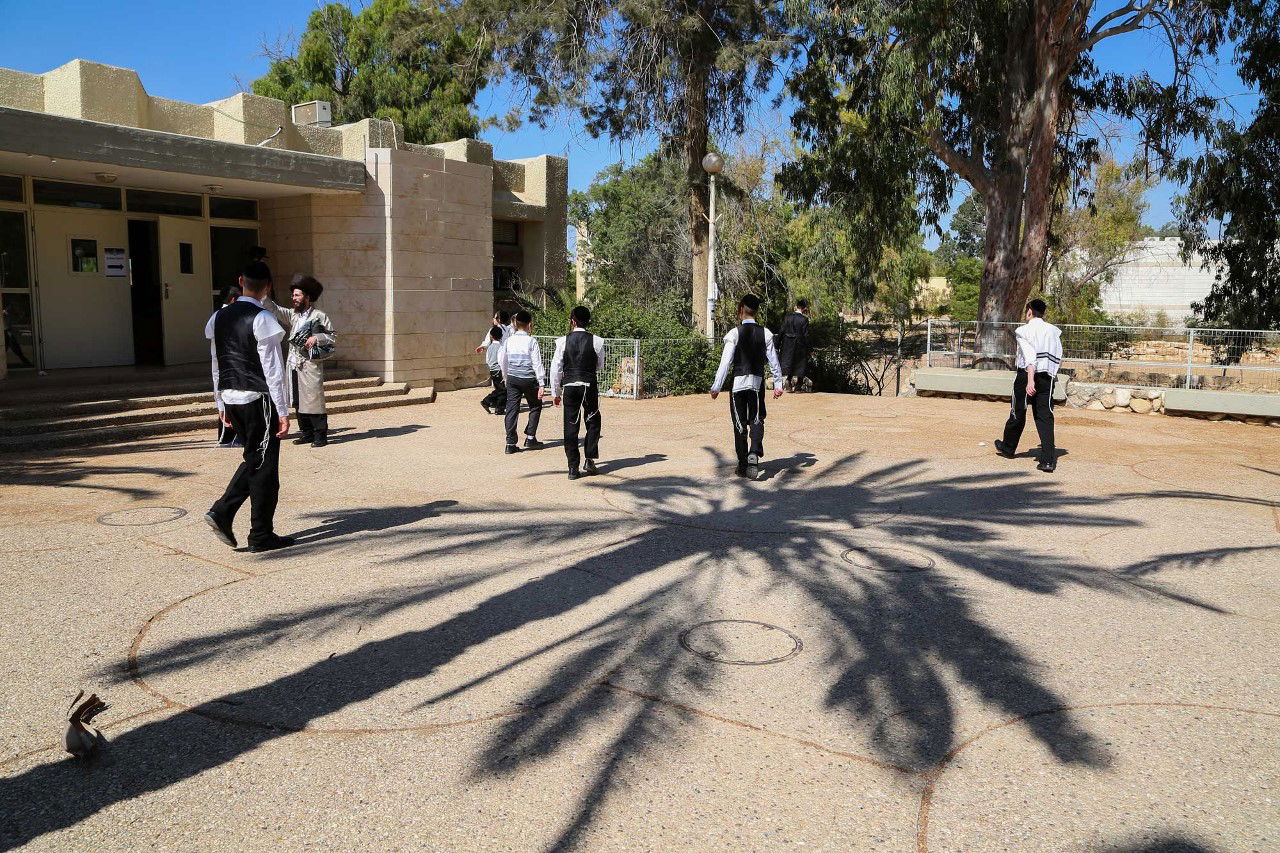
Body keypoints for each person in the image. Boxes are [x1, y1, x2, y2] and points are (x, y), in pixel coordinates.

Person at [203, 261, 295, 553]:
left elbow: (217, 363)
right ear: (267, 287)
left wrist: (220, 403)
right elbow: (273, 368)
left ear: (241, 280)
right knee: (264, 467)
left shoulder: (217, 317)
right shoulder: (263, 318)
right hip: (258, 398)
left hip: (231, 396)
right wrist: (283, 410)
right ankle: (254, 530)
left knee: (256, 459)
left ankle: (234, 518)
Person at [710, 294, 784, 478]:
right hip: (757, 383)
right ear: (756, 311)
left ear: (741, 309)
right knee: (757, 418)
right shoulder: (765, 333)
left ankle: (743, 465)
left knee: (739, 423)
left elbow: (725, 363)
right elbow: (773, 361)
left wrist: (716, 386)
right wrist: (778, 384)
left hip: (738, 385)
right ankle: (754, 452)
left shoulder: (734, 334)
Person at [264, 274, 335, 448]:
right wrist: (264, 293)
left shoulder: (319, 316)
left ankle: (320, 435)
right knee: (297, 400)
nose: (293, 298)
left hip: (310, 365)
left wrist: (316, 338)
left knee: (314, 400)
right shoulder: (293, 316)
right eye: (293, 295)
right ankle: (307, 433)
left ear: (307, 297)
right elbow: (274, 309)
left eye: (297, 295)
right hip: (293, 365)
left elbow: (332, 336)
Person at [995, 298, 1063, 473]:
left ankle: (1008, 448)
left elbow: (1030, 356)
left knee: (1018, 410)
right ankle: (1048, 460)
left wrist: (1030, 380)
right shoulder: (1053, 331)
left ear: (1029, 311)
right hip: (1047, 376)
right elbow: (1057, 355)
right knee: (1045, 415)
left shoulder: (1024, 331)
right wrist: (1051, 373)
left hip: (1027, 374)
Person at [551, 306, 605, 480]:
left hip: (570, 386)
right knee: (593, 421)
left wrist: (556, 392)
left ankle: (573, 468)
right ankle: (589, 459)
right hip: (589, 385)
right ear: (588, 321)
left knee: (571, 424)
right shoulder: (597, 341)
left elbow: (556, 369)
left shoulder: (561, 341)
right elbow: (600, 365)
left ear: (572, 321)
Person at [498, 310, 544, 453]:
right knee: (535, 406)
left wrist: (506, 377)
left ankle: (510, 443)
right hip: (529, 379)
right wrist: (541, 382)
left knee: (512, 409)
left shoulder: (509, 341)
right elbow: (537, 363)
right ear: (529, 324)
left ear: (515, 324)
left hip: (512, 378)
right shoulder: (531, 341)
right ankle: (530, 438)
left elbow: (502, 361)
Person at [212, 285, 243, 448]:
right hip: (227, 362)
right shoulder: (225, 315)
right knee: (229, 397)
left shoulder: (217, 315)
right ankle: (230, 436)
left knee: (227, 396)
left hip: (224, 362)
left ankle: (228, 436)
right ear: (234, 300)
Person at [778, 299, 811, 392]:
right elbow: (806, 335)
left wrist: (777, 344)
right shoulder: (804, 319)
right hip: (799, 346)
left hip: (787, 345)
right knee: (800, 365)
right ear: (804, 308)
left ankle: (788, 380)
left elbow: (781, 331)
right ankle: (798, 386)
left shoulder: (787, 318)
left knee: (790, 363)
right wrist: (810, 348)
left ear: (796, 306)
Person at [480, 325, 507, 414]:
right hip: (499, 370)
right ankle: (489, 402)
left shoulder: (490, 348)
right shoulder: (501, 347)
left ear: (491, 336)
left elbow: (487, 359)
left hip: (492, 370)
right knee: (502, 390)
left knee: (499, 389)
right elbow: (501, 361)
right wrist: (504, 372)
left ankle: (495, 406)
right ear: (501, 336)